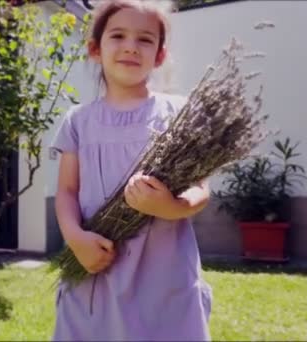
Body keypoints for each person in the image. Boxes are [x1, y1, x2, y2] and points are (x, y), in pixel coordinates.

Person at [50, 0, 214, 341]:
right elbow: (66, 191)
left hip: (164, 278)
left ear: (159, 56)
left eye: (144, 39)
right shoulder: (78, 121)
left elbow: (201, 188)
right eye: (118, 35)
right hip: (95, 271)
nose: (130, 46)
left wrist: (172, 207)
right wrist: (76, 239)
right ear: (95, 49)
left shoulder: (178, 114)